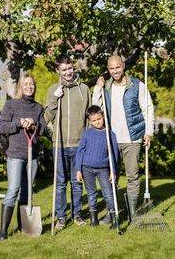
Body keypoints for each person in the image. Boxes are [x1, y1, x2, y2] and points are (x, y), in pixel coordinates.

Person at [92, 55, 154, 222]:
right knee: (111, 176)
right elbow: (95, 107)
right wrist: (98, 88)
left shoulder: (137, 85)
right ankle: (111, 212)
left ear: (123, 66)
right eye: (111, 69)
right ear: (108, 69)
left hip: (132, 139)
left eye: (117, 67)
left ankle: (132, 213)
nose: (115, 71)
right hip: (111, 139)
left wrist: (149, 131)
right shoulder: (107, 87)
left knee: (132, 175)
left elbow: (147, 109)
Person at [0, 72, 46, 240]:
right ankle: (3, 231)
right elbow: (1, 127)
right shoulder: (11, 105)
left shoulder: (38, 107)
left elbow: (44, 130)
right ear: (20, 86)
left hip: (33, 155)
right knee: (12, 190)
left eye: (31, 84)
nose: (29, 87)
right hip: (16, 154)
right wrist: (19, 123)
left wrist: (35, 124)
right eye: (26, 84)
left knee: (26, 192)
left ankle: (23, 225)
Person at [44, 54, 91, 230]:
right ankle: (61, 217)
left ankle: (77, 215)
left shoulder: (84, 89)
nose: (68, 72)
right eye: (64, 70)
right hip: (60, 144)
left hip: (79, 144)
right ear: (58, 70)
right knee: (60, 184)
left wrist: (87, 140)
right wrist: (55, 97)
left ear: (73, 67)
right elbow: (48, 115)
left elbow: (88, 117)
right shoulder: (53, 89)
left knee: (77, 182)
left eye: (70, 68)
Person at [76, 105, 118, 228]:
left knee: (108, 193)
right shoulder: (87, 134)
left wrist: (113, 171)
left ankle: (114, 220)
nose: (97, 122)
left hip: (103, 169)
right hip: (87, 167)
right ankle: (93, 220)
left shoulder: (110, 134)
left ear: (103, 117)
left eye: (99, 119)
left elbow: (113, 155)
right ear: (89, 121)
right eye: (93, 120)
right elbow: (80, 152)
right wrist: (78, 169)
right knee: (91, 193)